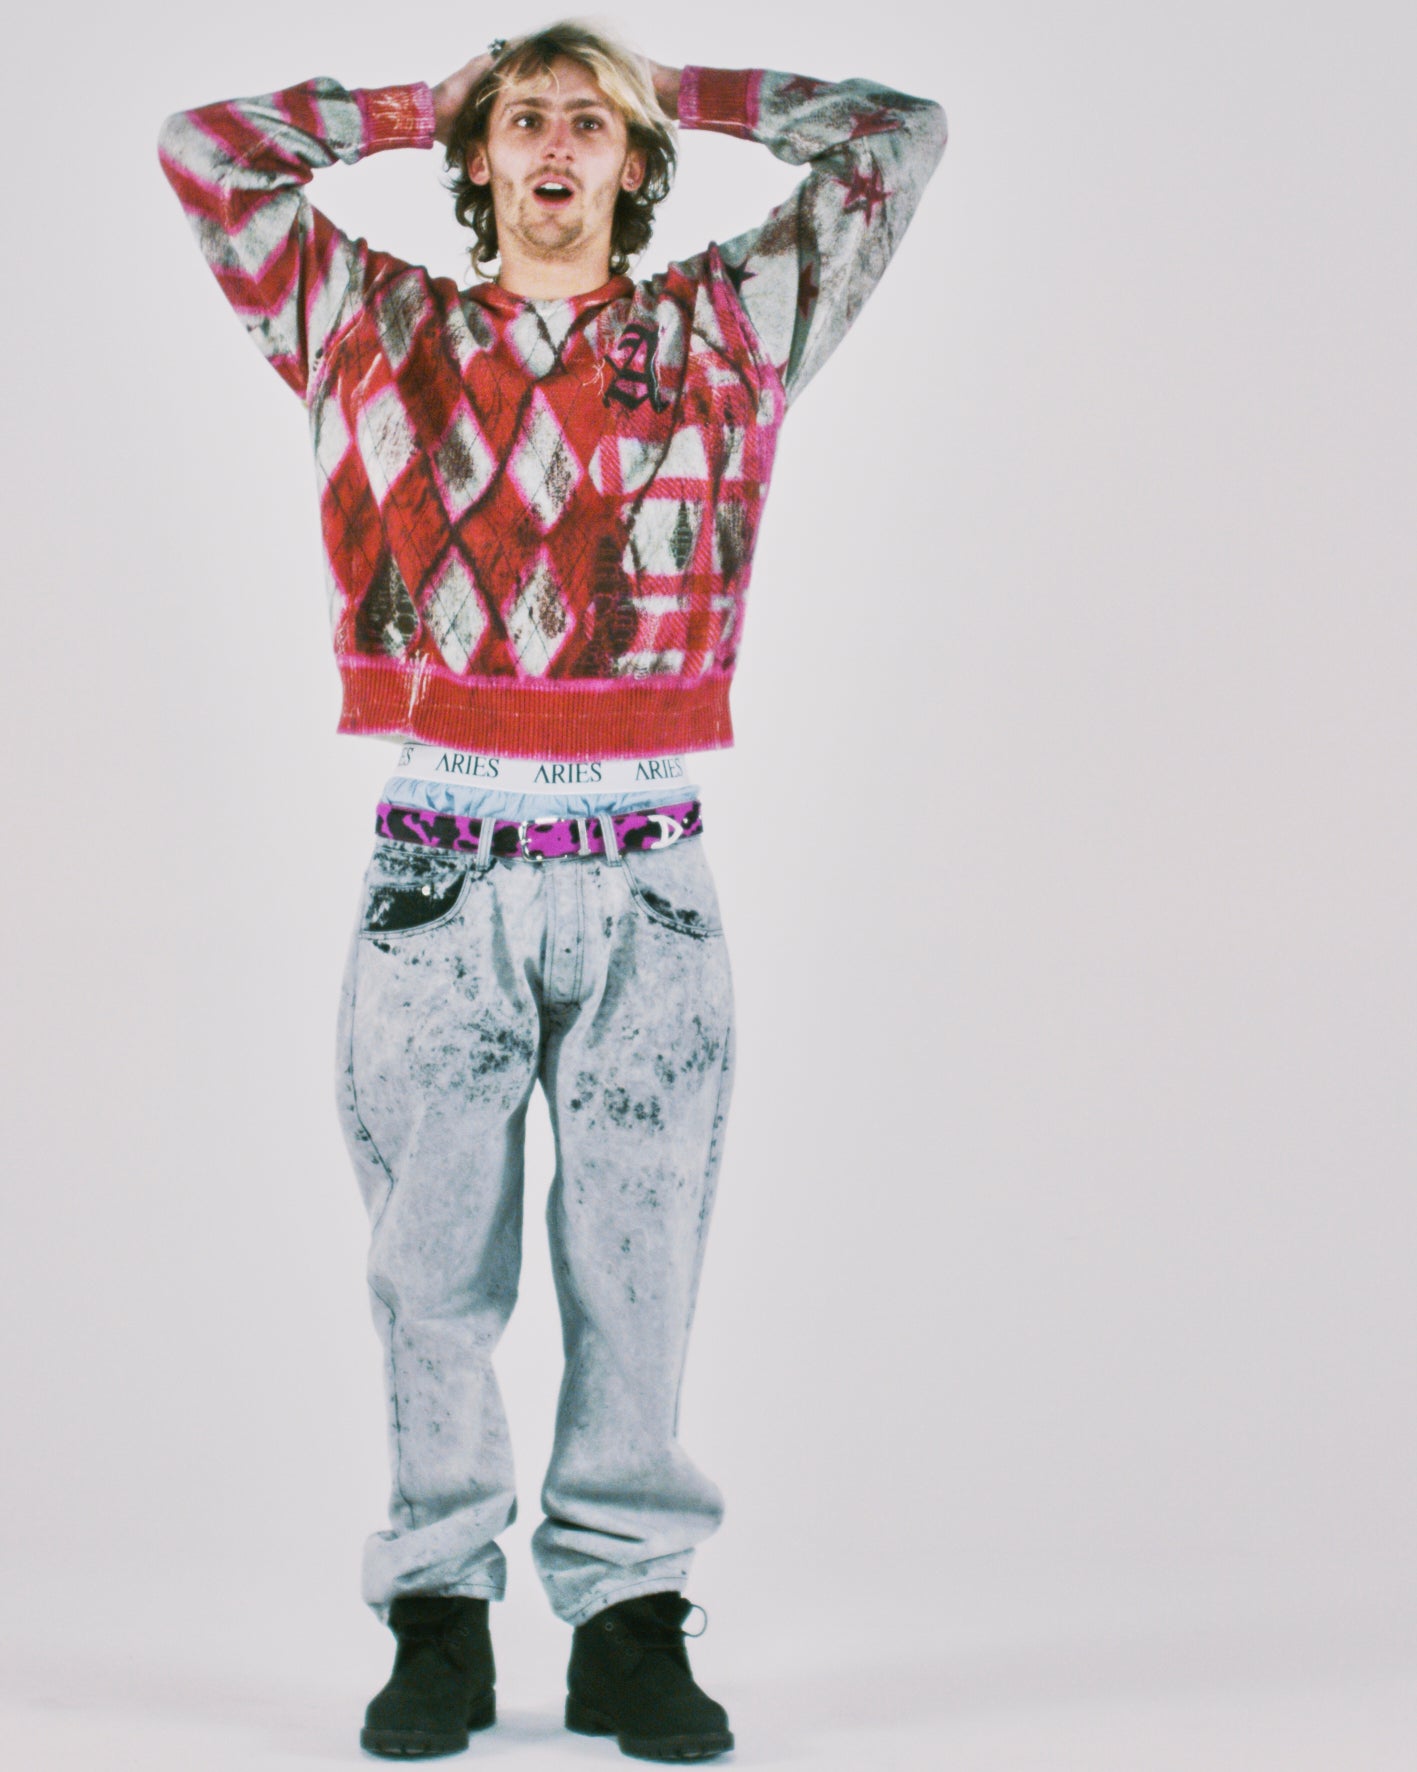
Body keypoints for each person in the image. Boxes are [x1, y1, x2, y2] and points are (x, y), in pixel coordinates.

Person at [158, 19, 946, 1761]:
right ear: (481, 158)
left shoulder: (727, 328)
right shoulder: (366, 323)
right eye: (525, 120)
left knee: (637, 1267)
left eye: (593, 123)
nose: (558, 146)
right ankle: (437, 1616)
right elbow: (206, 153)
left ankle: (628, 1619)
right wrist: (411, 103)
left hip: (645, 867)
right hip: (439, 867)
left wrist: (688, 91)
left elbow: (897, 141)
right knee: (428, 1273)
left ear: (635, 161)